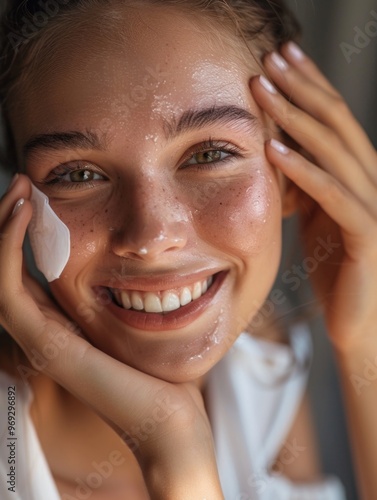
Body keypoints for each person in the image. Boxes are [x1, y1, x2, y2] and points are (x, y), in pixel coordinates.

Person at [0, 0, 376, 498]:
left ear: (294, 179)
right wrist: (173, 452)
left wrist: (365, 337)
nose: (152, 238)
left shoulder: (259, 362)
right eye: (79, 174)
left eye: (208, 155)